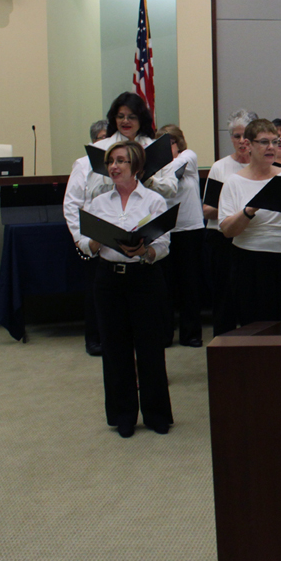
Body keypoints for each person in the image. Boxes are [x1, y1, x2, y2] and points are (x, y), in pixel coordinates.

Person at [73, 140, 173, 438]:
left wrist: (145, 252)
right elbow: (83, 244)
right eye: (111, 162)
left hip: (144, 277)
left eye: (121, 161)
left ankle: (156, 414)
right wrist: (96, 241)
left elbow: (164, 245)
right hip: (109, 280)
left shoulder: (153, 200)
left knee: (150, 347)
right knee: (115, 348)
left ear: (136, 167)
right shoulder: (98, 203)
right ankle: (123, 415)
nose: (114, 167)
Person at [63, 94, 157, 356]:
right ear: (113, 118)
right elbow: (72, 204)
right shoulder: (95, 153)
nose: (126, 121)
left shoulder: (153, 148)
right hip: (101, 238)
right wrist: (82, 241)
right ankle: (97, 339)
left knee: (144, 314)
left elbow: (168, 194)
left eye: (132, 116)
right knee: (101, 299)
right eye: (121, 116)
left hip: (143, 239)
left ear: (142, 120)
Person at [217, 119, 281, 335]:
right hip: (250, 261)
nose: (271, 147)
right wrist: (250, 209)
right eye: (264, 142)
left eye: (275, 141)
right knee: (255, 325)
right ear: (248, 145)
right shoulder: (234, 182)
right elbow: (227, 230)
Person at [202, 109, 256, 337]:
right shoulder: (220, 168)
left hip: (252, 238)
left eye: (246, 136)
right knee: (224, 297)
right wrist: (235, 211)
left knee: (250, 298)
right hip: (221, 239)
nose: (241, 141)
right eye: (236, 136)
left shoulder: (262, 166)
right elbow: (207, 210)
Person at [151, 124, 204, 347]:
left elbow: (170, 180)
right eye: (162, 143)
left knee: (190, 285)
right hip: (163, 231)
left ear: (179, 143)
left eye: (171, 142)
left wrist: (149, 176)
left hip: (189, 230)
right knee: (164, 287)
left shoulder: (188, 157)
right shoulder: (154, 167)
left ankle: (191, 334)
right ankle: (164, 334)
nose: (167, 147)